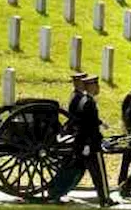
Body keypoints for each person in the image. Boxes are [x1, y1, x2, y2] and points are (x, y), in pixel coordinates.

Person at [50, 75, 113, 206]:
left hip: (83, 142)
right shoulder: (88, 102)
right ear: (91, 86)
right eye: (96, 85)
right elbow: (86, 125)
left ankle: (55, 192)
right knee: (98, 174)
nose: (98, 88)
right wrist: (88, 144)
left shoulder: (84, 100)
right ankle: (105, 199)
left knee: (73, 169)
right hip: (90, 143)